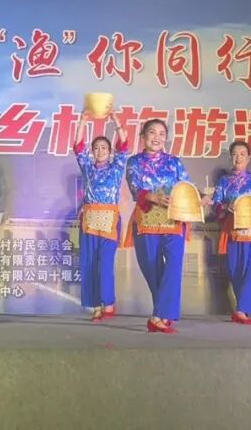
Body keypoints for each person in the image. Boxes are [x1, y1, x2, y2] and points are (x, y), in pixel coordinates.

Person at [124, 118, 191, 334]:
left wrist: (200, 197)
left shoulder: (174, 162)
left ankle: (158, 315)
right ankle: (162, 315)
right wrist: (153, 197)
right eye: (152, 133)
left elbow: (186, 186)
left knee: (173, 266)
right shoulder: (134, 162)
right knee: (152, 269)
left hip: (173, 220)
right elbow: (135, 187)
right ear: (143, 136)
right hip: (147, 220)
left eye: (162, 134)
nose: (157, 137)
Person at [211, 140, 251, 325]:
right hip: (235, 232)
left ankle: (241, 310)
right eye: (235, 154)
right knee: (236, 270)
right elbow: (216, 205)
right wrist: (226, 206)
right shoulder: (224, 182)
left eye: (242, 154)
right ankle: (244, 307)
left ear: (248, 158)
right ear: (231, 158)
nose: (238, 157)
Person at [73, 110, 129, 322]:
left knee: (105, 264)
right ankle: (96, 306)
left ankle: (109, 302)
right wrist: (82, 121)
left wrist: (115, 119)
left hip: (110, 221)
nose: (100, 151)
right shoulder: (87, 167)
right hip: (89, 221)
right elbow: (78, 147)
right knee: (89, 263)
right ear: (92, 152)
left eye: (104, 147)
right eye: (96, 148)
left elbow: (124, 145)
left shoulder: (117, 167)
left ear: (110, 151)